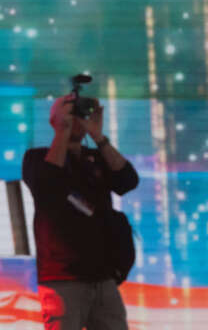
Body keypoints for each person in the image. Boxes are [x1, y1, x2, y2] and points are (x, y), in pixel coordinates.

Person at [22, 93, 139, 330]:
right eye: (68, 115)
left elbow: (127, 181)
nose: (75, 121)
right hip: (62, 278)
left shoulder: (96, 157)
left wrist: (98, 135)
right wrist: (62, 133)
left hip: (103, 276)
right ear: (53, 120)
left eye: (79, 116)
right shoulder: (37, 158)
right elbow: (47, 185)